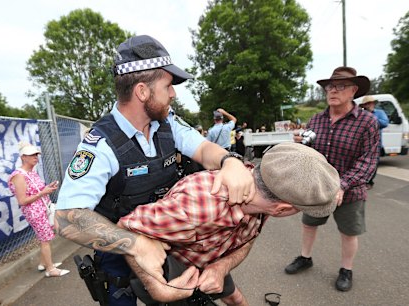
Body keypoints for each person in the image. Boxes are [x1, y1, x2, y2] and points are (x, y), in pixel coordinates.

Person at [55, 35, 254, 305]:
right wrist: (135, 244)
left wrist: (230, 162)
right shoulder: (100, 145)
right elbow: (66, 218)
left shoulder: (168, 124)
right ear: (142, 91)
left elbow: (205, 150)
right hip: (118, 253)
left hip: (169, 240)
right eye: (168, 85)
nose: (173, 94)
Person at [118, 143, 340, 305]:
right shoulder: (195, 207)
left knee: (234, 298)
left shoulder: (266, 193)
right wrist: (157, 288)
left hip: (211, 258)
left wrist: (220, 267)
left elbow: (248, 237)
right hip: (175, 271)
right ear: (282, 210)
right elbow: (125, 229)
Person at [285, 66, 379, 292]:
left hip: (351, 189)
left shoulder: (367, 122)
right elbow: (310, 155)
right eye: (330, 86)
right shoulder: (316, 120)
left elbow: (368, 161)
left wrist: (343, 185)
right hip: (318, 187)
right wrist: (300, 145)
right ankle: (305, 258)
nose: (332, 91)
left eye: (340, 86)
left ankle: (346, 269)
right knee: (309, 224)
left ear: (354, 90)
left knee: (348, 232)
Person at [8, 142, 70, 277]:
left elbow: (35, 191)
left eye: (36, 154)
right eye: (31, 155)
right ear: (23, 157)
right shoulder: (19, 175)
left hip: (43, 209)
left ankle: (44, 263)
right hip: (34, 212)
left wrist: (47, 189)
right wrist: (43, 192)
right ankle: (50, 269)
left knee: (46, 237)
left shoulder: (31, 172)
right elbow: (22, 200)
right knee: (45, 239)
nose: (35, 157)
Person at [358, 96, 389, 189]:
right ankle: (361, 181)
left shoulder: (379, 113)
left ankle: (370, 181)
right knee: (361, 162)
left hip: (376, 142)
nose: (370, 105)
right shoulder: (361, 114)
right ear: (364, 105)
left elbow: (385, 123)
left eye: (371, 103)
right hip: (361, 142)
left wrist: (370, 118)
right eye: (367, 103)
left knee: (374, 163)